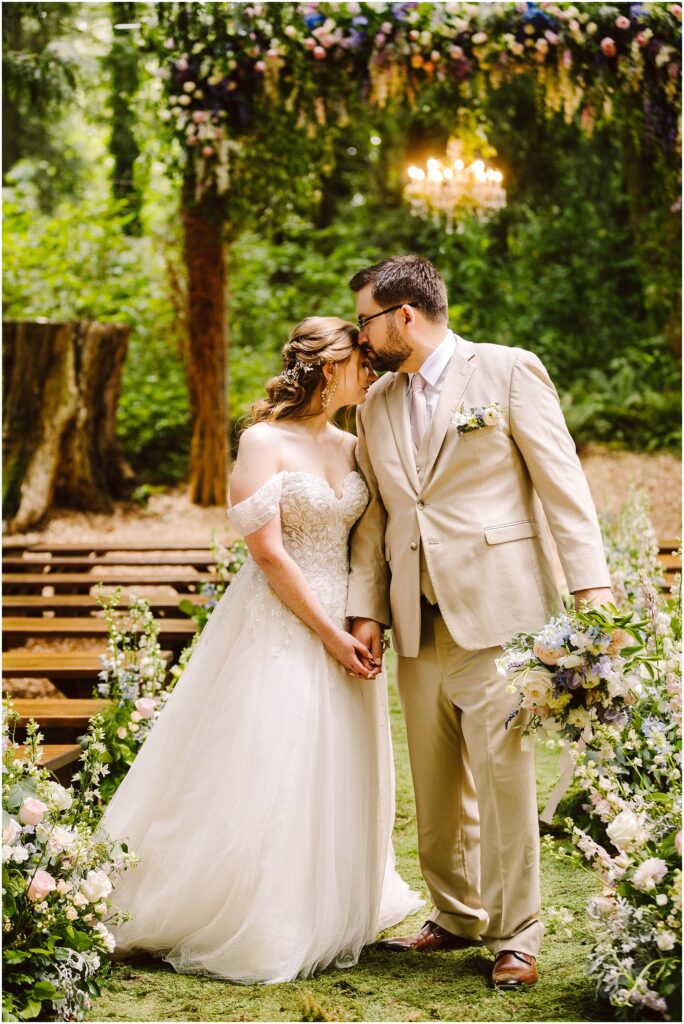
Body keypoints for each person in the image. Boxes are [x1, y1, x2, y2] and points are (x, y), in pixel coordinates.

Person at [97, 316, 422, 984]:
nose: (372, 374)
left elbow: (371, 538)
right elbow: (269, 554)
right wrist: (328, 633)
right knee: (274, 754)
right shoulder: (262, 441)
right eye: (362, 363)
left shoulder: (354, 443)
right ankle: (258, 913)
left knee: (336, 758)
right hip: (279, 621)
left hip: (345, 621)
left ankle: (326, 903)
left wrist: (364, 620)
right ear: (329, 367)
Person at [345, 255, 613, 990]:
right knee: (434, 788)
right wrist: (366, 610)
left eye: (366, 320)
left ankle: (516, 934)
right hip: (417, 618)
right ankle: (457, 913)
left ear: (404, 314)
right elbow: (375, 518)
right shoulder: (375, 403)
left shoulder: (507, 370)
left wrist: (592, 591)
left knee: (503, 781)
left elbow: (564, 485)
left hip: (500, 615)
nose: (360, 337)